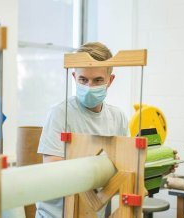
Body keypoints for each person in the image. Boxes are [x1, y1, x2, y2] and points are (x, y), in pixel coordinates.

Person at [35, 42, 129, 218]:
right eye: (83, 80)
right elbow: (52, 171)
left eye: (98, 80)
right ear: (73, 76)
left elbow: (127, 167)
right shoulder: (60, 114)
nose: (90, 87)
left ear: (110, 80)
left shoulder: (118, 118)